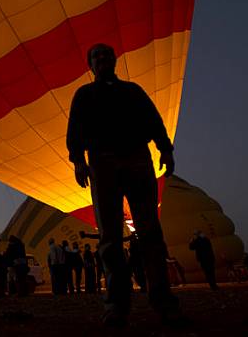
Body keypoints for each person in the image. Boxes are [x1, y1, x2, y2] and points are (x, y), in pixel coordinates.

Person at [67, 43, 182, 327]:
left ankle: (163, 302)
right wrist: (78, 161)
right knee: (109, 236)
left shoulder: (133, 91)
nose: (103, 58)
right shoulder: (84, 94)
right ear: (90, 65)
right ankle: (117, 305)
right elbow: (76, 130)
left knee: (150, 232)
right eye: (97, 56)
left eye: (107, 54)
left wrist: (165, 149)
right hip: (102, 162)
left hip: (137, 159)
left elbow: (153, 120)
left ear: (115, 60)